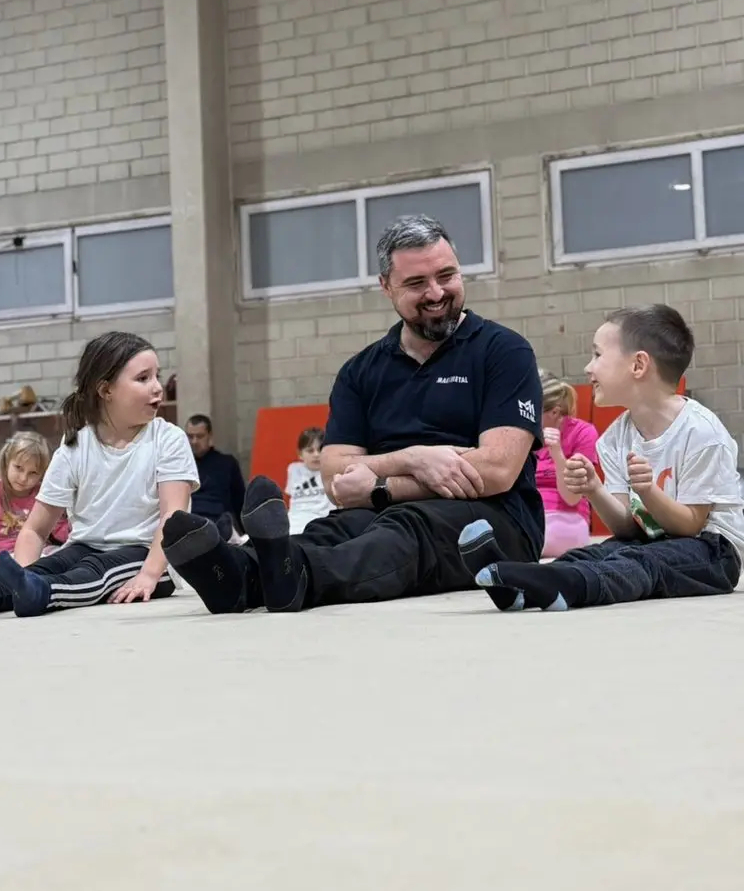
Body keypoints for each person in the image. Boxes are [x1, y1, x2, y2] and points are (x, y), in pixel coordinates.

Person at [160, 213, 544, 614]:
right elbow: (335, 475)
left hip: (498, 523)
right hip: (385, 516)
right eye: (416, 283)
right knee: (334, 529)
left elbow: (496, 470)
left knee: (405, 526)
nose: (436, 293)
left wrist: (381, 487)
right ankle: (234, 574)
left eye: (446, 276)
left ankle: (298, 576)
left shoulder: (504, 351)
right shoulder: (361, 371)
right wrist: (414, 459)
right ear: (386, 286)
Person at [464, 304, 744, 611]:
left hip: (712, 552)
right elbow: (626, 528)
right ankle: (516, 589)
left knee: (639, 561)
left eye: (597, 355)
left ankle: (567, 585)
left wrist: (648, 492)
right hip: (652, 540)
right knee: (594, 553)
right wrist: (594, 489)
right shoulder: (614, 438)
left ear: (638, 365)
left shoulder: (701, 432)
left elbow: (690, 526)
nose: (588, 368)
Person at [0, 331, 199, 619]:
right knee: (53, 565)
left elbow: (172, 518)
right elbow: (35, 529)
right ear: (106, 390)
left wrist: (149, 575)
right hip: (84, 547)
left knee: (95, 570)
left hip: (148, 556)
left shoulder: (168, 439)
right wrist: (21, 577)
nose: (158, 387)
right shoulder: (76, 445)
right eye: (143, 378)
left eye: (157, 376)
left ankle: (44, 593)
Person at [0, 431, 70, 575]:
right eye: (18, 468)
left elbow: (60, 533)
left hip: (41, 552)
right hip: (8, 558)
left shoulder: (43, 493)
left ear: (43, 474)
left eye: (33, 473)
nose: (23, 478)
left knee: (65, 559)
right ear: (6, 461)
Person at [536, 369, 599, 557]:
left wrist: (557, 453)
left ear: (554, 412)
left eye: (534, 412)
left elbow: (572, 498)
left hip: (567, 518)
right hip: (529, 515)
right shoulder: (525, 433)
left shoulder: (583, 432)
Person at [186, 413, 246, 537]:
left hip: (219, 524)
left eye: (200, 436)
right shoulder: (179, 464)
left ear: (210, 436)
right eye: (190, 436)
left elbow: (239, 502)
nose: (194, 441)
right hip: (188, 524)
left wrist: (247, 535)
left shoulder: (227, 463)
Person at [286, 426, 335, 535]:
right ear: (300, 454)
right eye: (310, 451)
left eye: (320, 450)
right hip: (295, 519)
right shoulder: (293, 469)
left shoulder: (331, 469)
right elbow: (290, 497)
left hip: (321, 519)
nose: (316, 455)